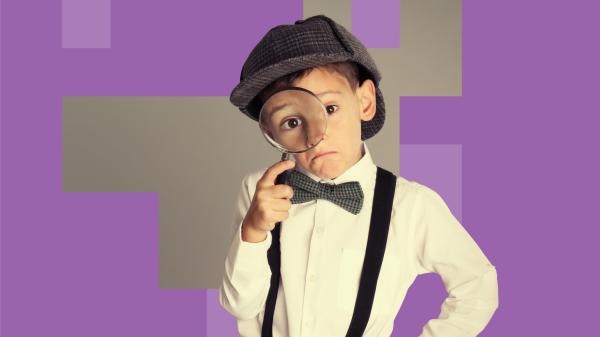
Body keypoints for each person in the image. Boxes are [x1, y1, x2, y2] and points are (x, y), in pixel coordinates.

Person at [220, 14, 498, 337]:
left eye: (330, 109)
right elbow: (238, 305)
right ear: (272, 130)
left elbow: (478, 284)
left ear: (364, 102)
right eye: (293, 122)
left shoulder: (409, 205)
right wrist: (253, 230)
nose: (316, 135)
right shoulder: (258, 191)